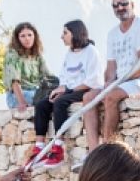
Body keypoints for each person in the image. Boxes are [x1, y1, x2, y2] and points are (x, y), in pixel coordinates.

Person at [88, 0, 140, 150]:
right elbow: (111, 67)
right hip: (122, 82)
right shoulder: (112, 34)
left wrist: (117, 84)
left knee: (111, 96)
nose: (120, 8)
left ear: (132, 5)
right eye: (116, 5)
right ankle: (93, 151)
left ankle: (108, 148)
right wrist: (108, 83)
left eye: (124, 4)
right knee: (89, 97)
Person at [28, 20, 103, 169]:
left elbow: (91, 81)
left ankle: (58, 148)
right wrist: (59, 89)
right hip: (68, 90)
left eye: (65, 33)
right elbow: (64, 78)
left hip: (86, 89)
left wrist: (66, 90)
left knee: (60, 102)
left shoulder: (91, 52)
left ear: (75, 33)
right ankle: (39, 147)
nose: (61, 37)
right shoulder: (69, 53)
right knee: (42, 104)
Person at [3, 22, 48, 113]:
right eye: (22, 36)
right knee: (44, 100)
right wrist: (22, 102)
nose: (27, 38)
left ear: (34, 36)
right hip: (17, 95)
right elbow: (14, 81)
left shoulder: (37, 55)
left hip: (35, 92)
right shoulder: (12, 54)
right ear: (17, 38)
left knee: (56, 97)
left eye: (29, 35)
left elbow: (48, 76)